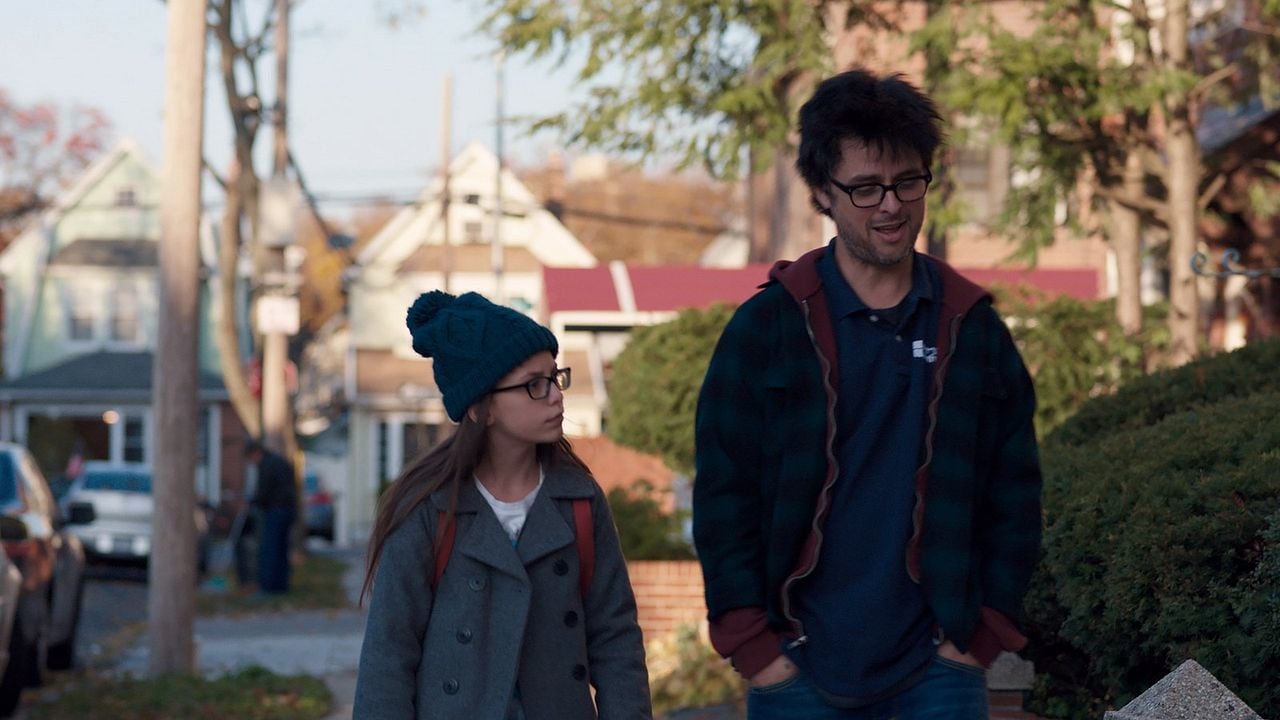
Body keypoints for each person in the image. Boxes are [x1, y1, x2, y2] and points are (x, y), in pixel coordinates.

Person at [692, 68, 1043, 719]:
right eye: (865, 188)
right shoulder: (769, 327)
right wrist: (755, 651)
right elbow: (723, 494)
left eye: (909, 181)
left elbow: (1014, 490)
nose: (891, 205)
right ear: (823, 193)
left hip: (938, 670)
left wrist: (980, 636)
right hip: (795, 670)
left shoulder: (971, 325)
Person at [354, 290, 651, 720]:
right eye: (534, 385)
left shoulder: (580, 501)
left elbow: (616, 639)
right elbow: (389, 656)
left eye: (555, 376)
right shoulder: (427, 509)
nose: (555, 396)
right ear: (481, 408)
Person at [245, 439, 297, 594]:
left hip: (276, 510)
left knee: (270, 550)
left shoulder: (267, 465)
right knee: (281, 550)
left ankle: (268, 587)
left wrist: (252, 502)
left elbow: (264, 491)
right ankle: (281, 586)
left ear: (255, 453)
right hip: (287, 510)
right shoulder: (279, 461)